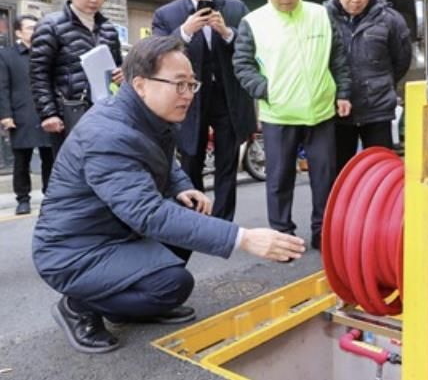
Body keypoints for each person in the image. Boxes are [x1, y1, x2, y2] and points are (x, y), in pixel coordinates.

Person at [32, 36, 305, 355]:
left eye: (191, 84)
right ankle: (79, 306)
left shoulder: (143, 113)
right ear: (140, 84)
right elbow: (149, 214)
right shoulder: (107, 135)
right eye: (179, 84)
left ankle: (128, 302)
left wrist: (181, 186)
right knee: (173, 285)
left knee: (188, 213)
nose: (188, 94)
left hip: (114, 232)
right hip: (74, 251)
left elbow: (162, 158)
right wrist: (244, 238)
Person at [233, 0, 352, 251]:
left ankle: (323, 233)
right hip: (279, 114)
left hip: (321, 112)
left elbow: (338, 57)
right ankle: (282, 236)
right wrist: (268, 91)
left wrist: (343, 93)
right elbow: (242, 65)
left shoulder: (321, 14)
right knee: (279, 180)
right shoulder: (253, 22)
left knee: (325, 177)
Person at [152, 0, 255, 222]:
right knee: (190, 160)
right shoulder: (167, 14)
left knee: (227, 163)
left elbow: (253, 49)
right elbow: (157, 54)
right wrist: (185, 32)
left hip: (228, 96)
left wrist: (227, 33)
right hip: (188, 98)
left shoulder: (235, 8)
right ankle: (195, 222)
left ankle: (223, 224)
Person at [324, 0, 412, 173]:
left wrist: (380, 84)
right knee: (340, 172)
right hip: (337, 111)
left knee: (381, 173)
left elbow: (401, 60)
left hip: (377, 110)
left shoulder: (390, 20)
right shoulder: (322, 17)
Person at [30, 0, 123, 156]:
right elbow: (39, 73)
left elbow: (118, 66)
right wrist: (49, 113)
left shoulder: (108, 29)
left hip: (105, 112)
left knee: (104, 163)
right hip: (69, 114)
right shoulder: (50, 26)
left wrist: (122, 74)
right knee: (71, 167)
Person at [0, 15, 54, 215]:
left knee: (50, 159)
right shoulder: (6, 55)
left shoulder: (47, 53)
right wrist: (6, 115)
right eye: (31, 28)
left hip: (47, 113)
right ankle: (23, 199)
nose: (35, 31)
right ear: (18, 32)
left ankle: (51, 197)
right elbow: (2, 88)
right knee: (21, 161)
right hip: (21, 114)